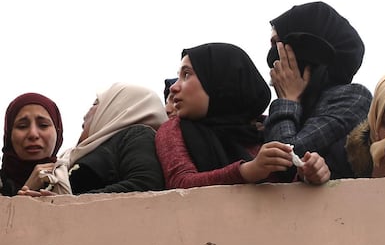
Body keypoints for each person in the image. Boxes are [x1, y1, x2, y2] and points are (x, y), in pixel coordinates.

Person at [156, 42, 330, 188]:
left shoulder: (265, 128)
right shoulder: (174, 129)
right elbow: (180, 183)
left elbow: (282, 188)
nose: (174, 87)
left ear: (219, 79)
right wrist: (248, 171)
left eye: (186, 75)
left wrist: (309, 173)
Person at [264, 1, 372, 176]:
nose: (274, 60)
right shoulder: (302, 103)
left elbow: (285, 160)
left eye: (278, 44)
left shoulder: (353, 97)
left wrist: (287, 101)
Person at [19, 83, 168, 196]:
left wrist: (67, 204)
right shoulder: (70, 157)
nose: (86, 114)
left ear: (116, 108)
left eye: (96, 103)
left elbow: (146, 185)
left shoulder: (136, 136)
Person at [1, 93, 64, 196]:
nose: (33, 134)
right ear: (9, 135)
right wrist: (26, 193)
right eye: (22, 126)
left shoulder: (76, 178)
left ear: (58, 131)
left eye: (43, 125)